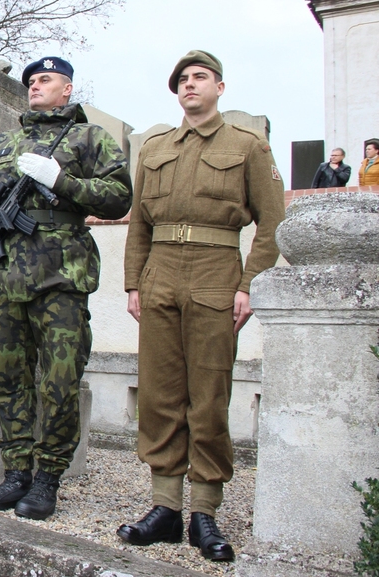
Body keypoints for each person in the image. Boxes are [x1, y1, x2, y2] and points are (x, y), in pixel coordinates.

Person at [117, 51, 285, 562]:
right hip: (160, 276)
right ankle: (165, 508)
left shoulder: (248, 146)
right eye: (183, 80)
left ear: (219, 87)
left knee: (208, 398)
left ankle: (204, 513)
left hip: (216, 275)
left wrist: (250, 284)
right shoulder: (155, 148)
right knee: (160, 396)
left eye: (200, 78)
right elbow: (139, 224)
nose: (190, 86)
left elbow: (273, 223)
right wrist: (133, 284)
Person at [0, 57, 132, 521]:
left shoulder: (88, 138)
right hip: (6, 273)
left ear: (67, 88)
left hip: (62, 273)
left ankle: (47, 478)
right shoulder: (3, 143)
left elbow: (120, 197)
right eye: (32, 80)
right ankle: (16, 472)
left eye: (46, 79)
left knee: (59, 380)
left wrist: (62, 180)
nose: (36, 86)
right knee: (10, 377)